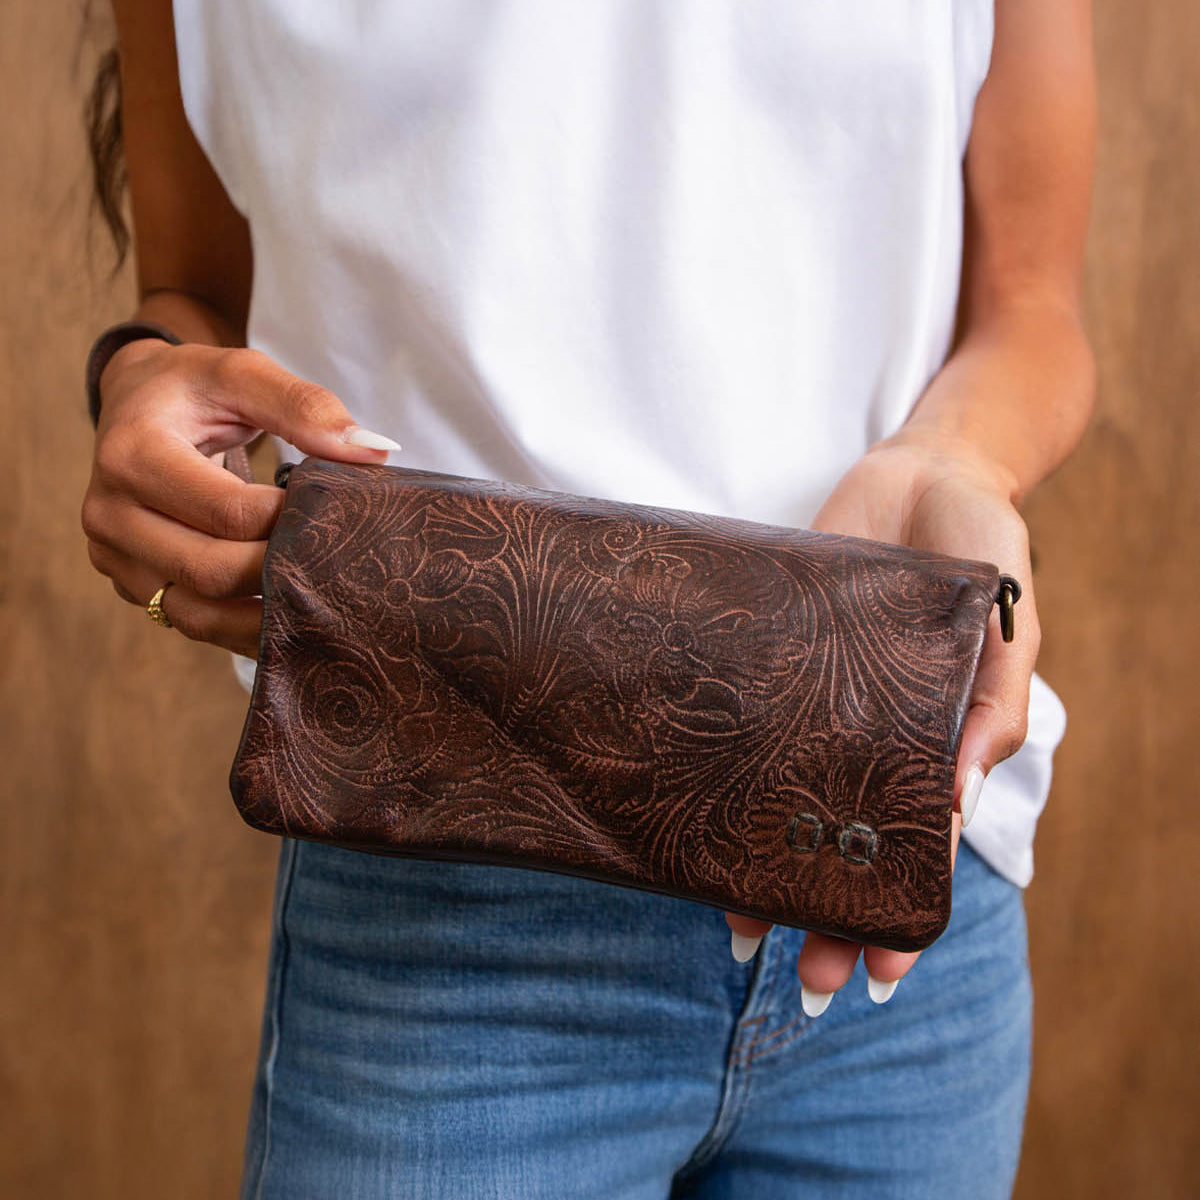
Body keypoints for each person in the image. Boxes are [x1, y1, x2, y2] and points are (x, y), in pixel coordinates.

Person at [81, 1, 1096, 1196]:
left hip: (888, 873)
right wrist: (140, 374)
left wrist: (955, 464)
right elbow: (193, 287)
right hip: (452, 905)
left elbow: (1032, 307)